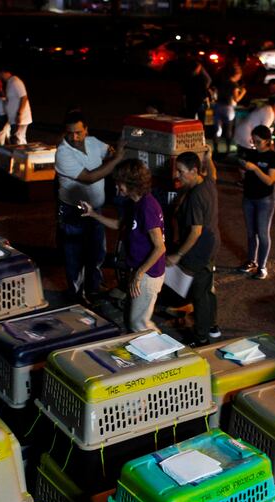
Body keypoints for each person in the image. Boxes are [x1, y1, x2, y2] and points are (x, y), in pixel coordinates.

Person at [81, 160, 166, 331]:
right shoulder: (135, 204)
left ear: (130, 183)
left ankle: (163, 355)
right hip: (139, 271)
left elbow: (160, 247)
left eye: (119, 183)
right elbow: (120, 225)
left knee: (139, 325)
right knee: (133, 320)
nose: (116, 187)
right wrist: (92, 214)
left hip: (147, 275)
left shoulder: (147, 207)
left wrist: (139, 274)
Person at [54, 110, 126, 304]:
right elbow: (90, 177)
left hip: (95, 209)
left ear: (86, 129)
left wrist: (115, 152)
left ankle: (94, 288)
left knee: (97, 252)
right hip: (73, 211)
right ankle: (77, 295)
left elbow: (109, 152)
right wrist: (117, 159)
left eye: (78, 132)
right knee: (74, 255)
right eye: (70, 133)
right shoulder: (63, 153)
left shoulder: (93, 142)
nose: (74, 137)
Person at [167, 149, 221, 346]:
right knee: (207, 289)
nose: (177, 175)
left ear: (194, 170)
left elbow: (195, 232)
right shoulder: (207, 182)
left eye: (181, 171)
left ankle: (200, 337)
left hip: (199, 250)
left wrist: (178, 255)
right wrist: (210, 158)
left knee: (200, 294)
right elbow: (213, 173)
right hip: (212, 245)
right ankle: (213, 326)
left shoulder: (194, 197)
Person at [236, 125, 275, 280]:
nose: (255, 144)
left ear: (267, 141)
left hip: (264, 201)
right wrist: (243, 170)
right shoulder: (251, 153)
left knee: (262, 234)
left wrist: (254, 169)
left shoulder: (272, 157)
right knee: (250, 233)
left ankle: (262, 267)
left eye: (258, 141)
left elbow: (270, 181)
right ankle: (251, 261)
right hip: (248, 198)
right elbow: (245, 175)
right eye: (253, 141)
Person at [212, 65, 246, 156]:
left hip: (218, 106)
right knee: (228, 129)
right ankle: (227, 151)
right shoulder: (234, 85)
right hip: (228, 108)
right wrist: (243, 92)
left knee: (217, 129)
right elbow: (236, 99)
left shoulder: (222, 81)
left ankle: (215, 150)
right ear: (237, 75)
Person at [0, 65, 31, 145]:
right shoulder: (9, 82)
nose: (0, 76)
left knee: (19, 138)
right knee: (12, 136)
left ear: (4, 72)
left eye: (0, 74)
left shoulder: (15, 81)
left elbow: (24, 97)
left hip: (19, 118)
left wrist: (19, 114)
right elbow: (11, 99)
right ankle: (14, 154)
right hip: (13, 118)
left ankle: (22, 156)